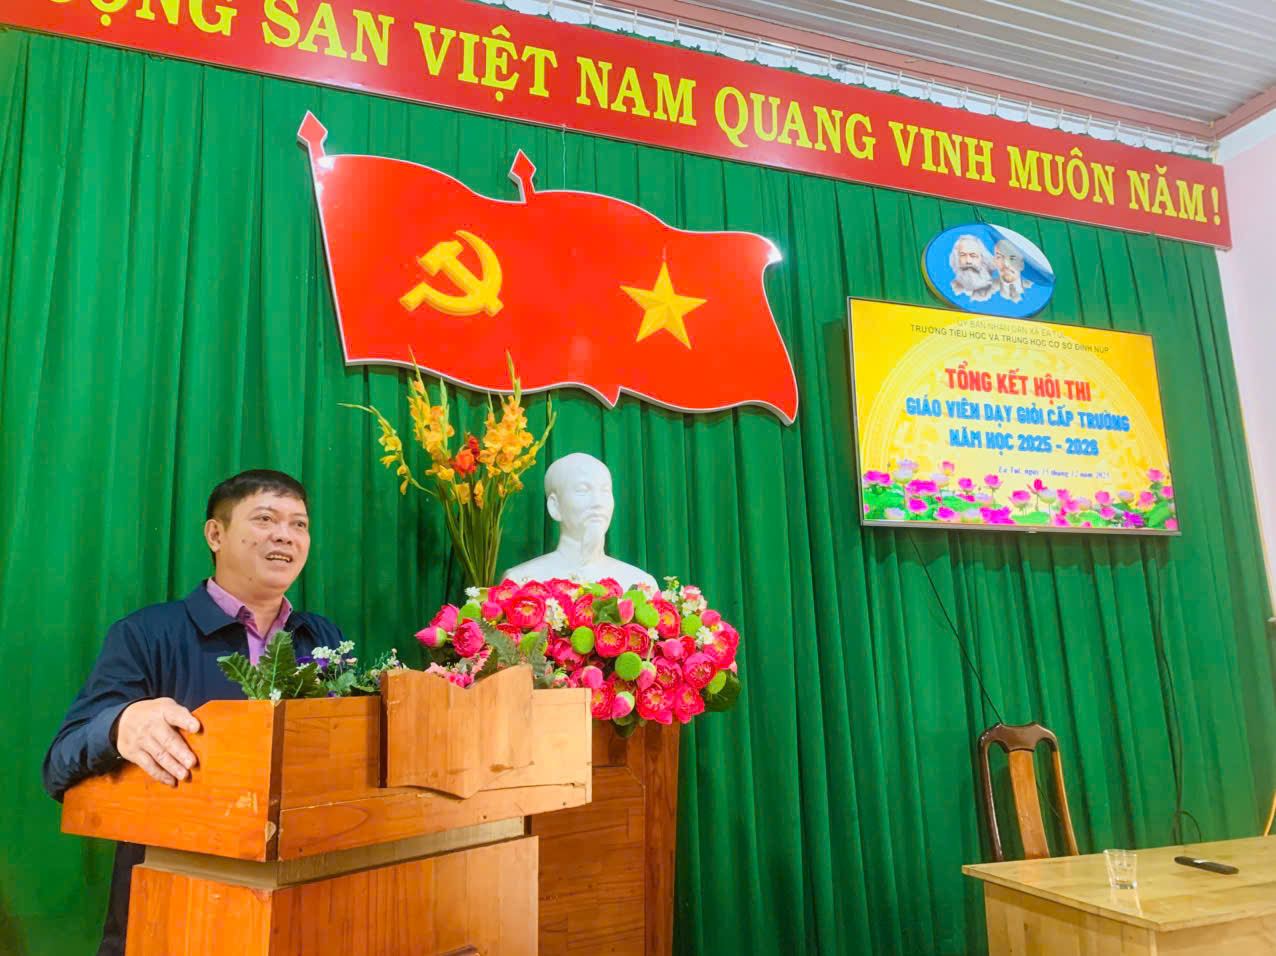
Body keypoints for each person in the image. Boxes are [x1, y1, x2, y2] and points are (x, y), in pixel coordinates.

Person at [42, 469, 346, 956]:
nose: (285, 535)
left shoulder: (323, 638)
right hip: (174, 914)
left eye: (299, 524)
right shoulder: (147, 634)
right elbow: (59, 764)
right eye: (265, 519)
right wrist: (120, 725)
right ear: (215, 534)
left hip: (302, 908)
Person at [503, 452, 658, 591]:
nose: (598, 502)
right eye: (582, 490)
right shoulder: (520, 582)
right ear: (554, 506)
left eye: (605, 491)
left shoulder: (639, 584)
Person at [948, 234, 997, 302]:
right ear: (957, 258)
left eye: (973, 256)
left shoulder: (994, 289)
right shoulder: (951, 288)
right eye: (963, 255)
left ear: (983, 259)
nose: (968, 261)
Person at [992, 238, 1034, 304]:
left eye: (1012, 258)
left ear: (1022, 263)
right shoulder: (987, 288)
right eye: (999, 257)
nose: (1006, 263)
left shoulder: (1033, 286)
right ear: (994, 261)